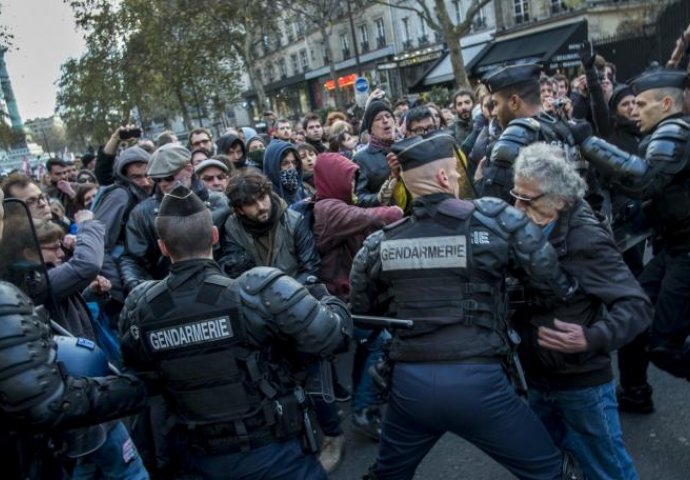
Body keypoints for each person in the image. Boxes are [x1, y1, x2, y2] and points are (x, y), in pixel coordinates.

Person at [350, 131, 580, 480]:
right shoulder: (497, 221)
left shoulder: (380, 243)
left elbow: (365, 311)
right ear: (444, 177)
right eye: (456, 173)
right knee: (554, 473)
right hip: (480, 382)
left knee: (386, 475)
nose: (459, 178)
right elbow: (553, 286)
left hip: (409, 385)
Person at [119, 183, 352, 479]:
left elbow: (139, 381)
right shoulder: (256, 290)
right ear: (214, 237)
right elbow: (334, 337)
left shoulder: (142, 306)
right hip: (273, 455)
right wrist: (327, 299)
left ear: (163, 247)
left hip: (196, 459)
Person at [511, 143, 652, 480]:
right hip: (535, 378)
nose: (515, 207)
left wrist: (591, 338)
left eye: (526, 200)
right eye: (514, 194)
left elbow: (637, 306)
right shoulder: (526, 226)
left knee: (608, 471)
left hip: (580, 385)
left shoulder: (586, 238)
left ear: (559, 200)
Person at [0, 189, 147, 479]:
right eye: (3, 216)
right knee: (129, 471)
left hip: (69, 419)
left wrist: (89, 293)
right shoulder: (19, 283)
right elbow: (46, 400)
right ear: (29, 251)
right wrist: (132, 389)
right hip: (73, 406)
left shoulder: (31, 276)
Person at [580, 69, 690, 385]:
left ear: (667, 102)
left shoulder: (675, 131)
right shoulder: (662, 133)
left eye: (641, 105)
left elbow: (645, 180)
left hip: (685, 255)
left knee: (663, 345)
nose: (634, 110)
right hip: (672, 249)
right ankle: (634, 392)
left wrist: (588, 143)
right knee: (634, 313)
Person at [476, 64, 592, 205]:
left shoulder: (510, 142)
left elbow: (494, 206)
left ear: (514, 102)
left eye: (495, 104)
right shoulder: (565, 129)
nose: (493, 112)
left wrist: (479, 182)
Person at [218, 169, 320, 283]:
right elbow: (234, 273)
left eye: (262, 198)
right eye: (251, 203)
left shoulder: (293, 221)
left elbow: (311, 268)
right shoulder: (233, 228)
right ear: (240, 210)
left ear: (269, 194)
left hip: (294, 293)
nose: (261, 207)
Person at [353, 101, 397, 207]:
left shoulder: (404, 146)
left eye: (388, 116)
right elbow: (357, 197)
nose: (385, 120)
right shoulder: (361, 158)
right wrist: (378, 198)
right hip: (388, 219)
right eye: (378, 119)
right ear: (370, 129)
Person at [263, 139, 309, 206]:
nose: (291, 167)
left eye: (294, 162)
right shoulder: (267, 199)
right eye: (285, 163)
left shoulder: (301, 191)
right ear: (272, 166)